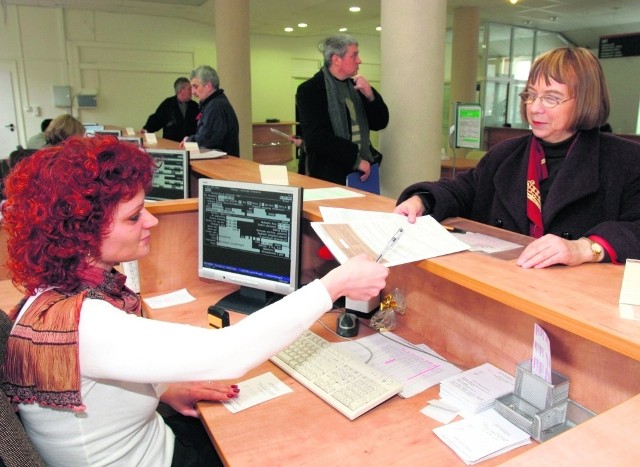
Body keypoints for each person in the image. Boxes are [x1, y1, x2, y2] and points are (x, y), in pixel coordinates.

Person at [1, 136, 388, 467]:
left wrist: (163, 390)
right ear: (80, 234)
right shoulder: (88, 321)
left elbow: (96, 386)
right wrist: (333, 284)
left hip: (149, 438)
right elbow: (230, 352)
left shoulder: (51, 293)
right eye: (135, 217)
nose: (151, 221)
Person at [395, 46, 640, 269]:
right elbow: (464, 189)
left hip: (579, 300)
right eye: (531, 95)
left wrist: (585, 248)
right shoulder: (506, 153)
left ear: (586, 100)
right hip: (508, 283)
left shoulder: (626, 160)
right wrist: (422, 200)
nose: (535, 108)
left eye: (551, 98)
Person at [296, 34, 389, 185]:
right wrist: (355, 160)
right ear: (336, 59)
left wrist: (371, 95)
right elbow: (316, 138)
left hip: (363, 173)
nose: (359, 60)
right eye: (354, 55)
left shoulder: (357, 87)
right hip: (329, 175)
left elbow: (380, 122)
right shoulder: (310, 90)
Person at [182, 65, 240, 156]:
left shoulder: (216, 106)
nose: (192, 92)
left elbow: (207, 141)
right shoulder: (214, 103)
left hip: (222, 166)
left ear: (208, 86)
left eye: (195, 86)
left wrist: (189, 140)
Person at [142, 77, 198, 142]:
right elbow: (157, 119)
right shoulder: (168, 104)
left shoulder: (195, 106)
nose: (192, 91)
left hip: (190, 146)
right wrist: (146, 129)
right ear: (181, 90)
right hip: (171, 146)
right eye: (189, 89)